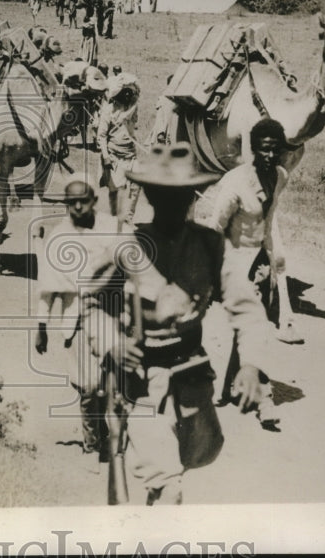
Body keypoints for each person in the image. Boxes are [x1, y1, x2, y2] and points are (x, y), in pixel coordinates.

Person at [83, 142, 270, 505]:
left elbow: (247, 308)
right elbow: (90, 303)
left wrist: (249, 364)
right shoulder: (129, 248)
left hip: (192, 378)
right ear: (151, 197)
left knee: (193, 458)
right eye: (163, 197)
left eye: (181, 197)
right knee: (170, 487)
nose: (173, 206)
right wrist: (112, 344)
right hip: (142, 382)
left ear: (192, 197)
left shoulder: (209, 247)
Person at [198, 118, 289, 427]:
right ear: (254, 150)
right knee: (254, 326)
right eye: (264, 150)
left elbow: (269, 220)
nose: (270, 156)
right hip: (233, 260)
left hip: (260, 261)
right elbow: (215, 227)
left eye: (275, 150)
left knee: (253, 327)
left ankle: (230, 387)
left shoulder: (280, 176)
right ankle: (264, 398)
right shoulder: (235, 182)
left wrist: (273, 265)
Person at [35, 176, 121, 455]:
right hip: (77, 318)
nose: (78, 207)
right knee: (89, 385)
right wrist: (41, 326)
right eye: (71, 203)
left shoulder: (111, 229)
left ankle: (110, 434)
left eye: (84, 201)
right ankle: (92, 444)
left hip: (110, 315)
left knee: (113, 384)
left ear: (95, 201)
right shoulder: (58, 238)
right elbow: (47, 289)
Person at [98, 73, 141, 227]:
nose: (128, 95)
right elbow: (101, 136)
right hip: (114, 155)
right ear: (120, 93)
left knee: (136, 186)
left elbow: (133, 126)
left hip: (131, 154)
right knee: (118, 189)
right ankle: (116, 219)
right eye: (126, 92)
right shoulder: (108, 110)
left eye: (131, 92)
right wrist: (106, 157)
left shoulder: (133, 108)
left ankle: (128, 217)